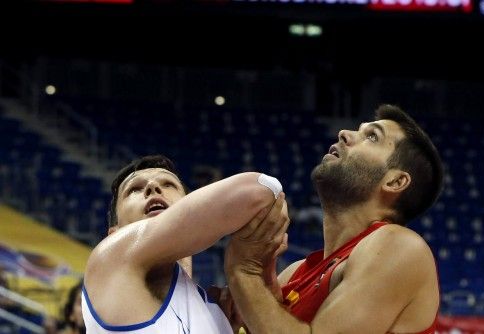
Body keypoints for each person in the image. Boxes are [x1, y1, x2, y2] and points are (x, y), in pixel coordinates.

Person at [224, 104, 444, 334]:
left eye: (372, 136)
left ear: (395, 182)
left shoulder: (401, 246)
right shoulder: (295, 272)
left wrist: (244, 273)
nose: (344, 133)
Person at [82, 155, 287, 333]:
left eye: (169, 185)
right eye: (134, 189)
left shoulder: (216, 312)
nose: (153, 188)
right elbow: (263, 187)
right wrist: (241, 261)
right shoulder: (110, 259)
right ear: (113, 234)